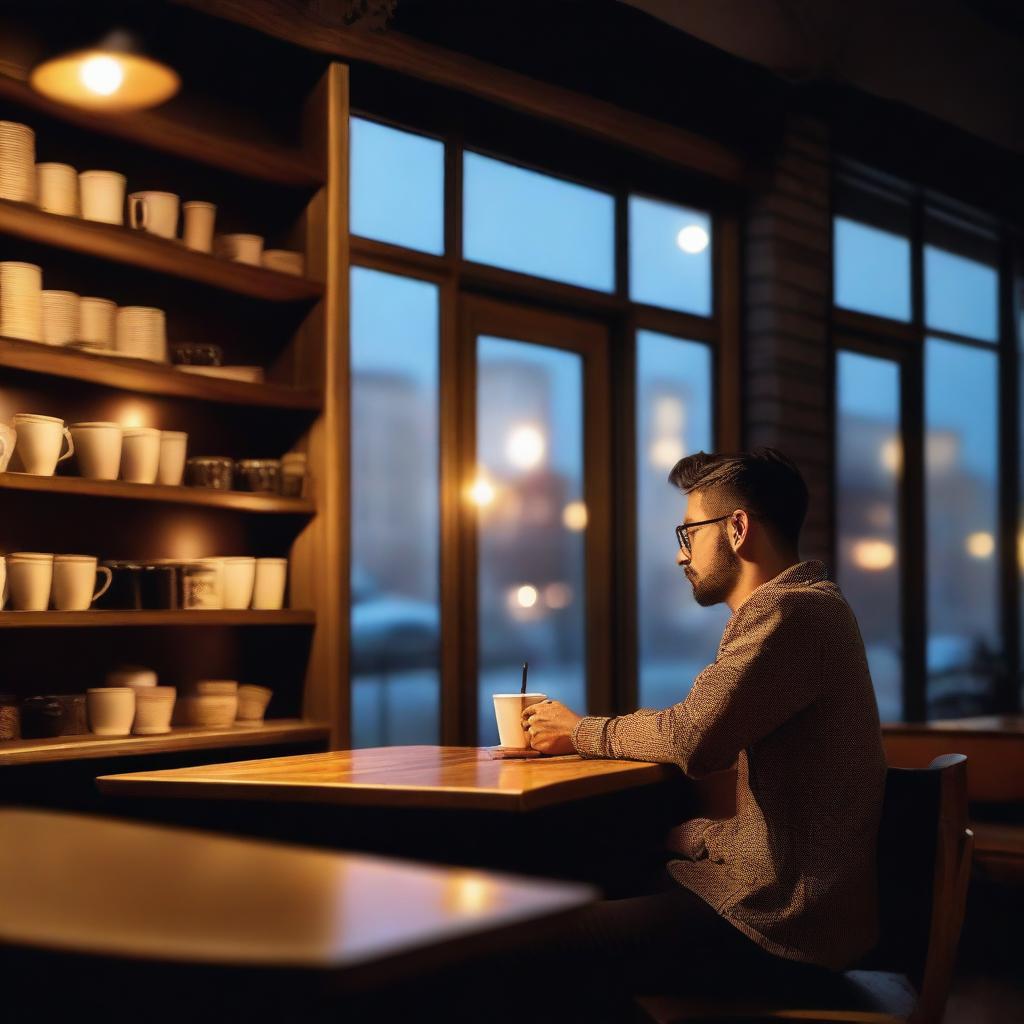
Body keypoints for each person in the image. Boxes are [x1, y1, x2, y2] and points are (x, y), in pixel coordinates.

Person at [520, 448, 887, 1016]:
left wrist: (580, 731)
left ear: (737, 528)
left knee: (543, 942)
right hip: (793, 906)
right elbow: (785, 814)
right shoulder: (804, 609)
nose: (679, 554)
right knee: (602, 874)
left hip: (785, 928)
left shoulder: (792, 613)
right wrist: (697, 837)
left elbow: (694, 737)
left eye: (689, 532)